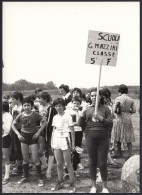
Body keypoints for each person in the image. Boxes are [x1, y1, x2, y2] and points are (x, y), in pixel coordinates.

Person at [79, 88, 113, 193]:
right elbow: (81, 125)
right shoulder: (87, 109)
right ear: (90, 97)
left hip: (103, 138)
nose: (94, 97)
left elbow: (110, 124)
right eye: (92, 96)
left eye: (96, 95)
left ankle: (104, 187)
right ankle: (93, 186)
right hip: (90, 137)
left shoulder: (106, 109)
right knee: (92, 162)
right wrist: (81, 114)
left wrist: (100, 118)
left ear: (100, 97)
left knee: (102, 163)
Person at [12, 97, 46, 186]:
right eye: (25, 105)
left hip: (33, 138)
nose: (26, 107)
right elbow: (13, 125)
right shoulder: (20, 115)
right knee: (25, 159)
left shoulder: (35, 114)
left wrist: (38, 132)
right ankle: (25, 176)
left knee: (35, 159)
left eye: (28, 105)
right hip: (23, 137)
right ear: (22, 106)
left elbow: (45, 122)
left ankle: (40, 178)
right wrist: (18, 134)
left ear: (31, 106)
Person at [51, 98, 76, 193]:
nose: (58, 108)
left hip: (65, 140)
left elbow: (72, 131)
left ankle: (72, 184)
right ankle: (60, 182)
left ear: (63, 106)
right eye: (56, 106)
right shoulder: (55, 117)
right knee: (58, 164)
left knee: (68, 164)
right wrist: (52, 142)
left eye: (60, 106)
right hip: (56, 140)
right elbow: (54, 130)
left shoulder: (68, 116)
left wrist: (73, 144)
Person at [112, 84, 136, 160]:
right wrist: (127, 111)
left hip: (119, 118)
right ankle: (130, 154)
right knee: (129, 136)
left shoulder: (117, 98)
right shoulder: (130, 99)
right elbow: (134, 110)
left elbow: (114, 110)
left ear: (120, 91)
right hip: (128, 119)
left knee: (118, 135)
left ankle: (119, 153)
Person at [38, 91, 57, 179]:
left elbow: (52, 122)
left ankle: (48, 171)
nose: (38, 100)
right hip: (41, 131)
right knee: (40, 151)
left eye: (40, 99)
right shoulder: (40, 107)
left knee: (50, 151)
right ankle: (45, 165)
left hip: (50, 132)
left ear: (45, 99)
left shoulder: (52, 108)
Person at [66, 96, 84, 175]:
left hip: (78, 132)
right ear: (71, 103)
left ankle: (75, 167)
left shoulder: (80, 112)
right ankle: (67, 168)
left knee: (77, 149)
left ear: (80, 104)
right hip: (69, 132)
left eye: (77, 103)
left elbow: (81, 123)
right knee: (69, 150)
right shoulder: (67, 111)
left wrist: (78, 112)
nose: (75, 105)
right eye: (74, 103)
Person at [10, 91, 23, 175]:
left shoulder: (23, 107)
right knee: (14, 148)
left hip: (21, 130)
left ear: (18, 99)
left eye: (13, 99)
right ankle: (18, 166)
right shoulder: (13, 107)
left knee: (20, 148)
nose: (11, 100)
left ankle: (20, 168)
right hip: (14, 129)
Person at [2, 101, 13, 185]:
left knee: (5, 157)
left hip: (4, 137)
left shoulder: (8, 116)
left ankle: (6, 176)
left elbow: (8, 130)